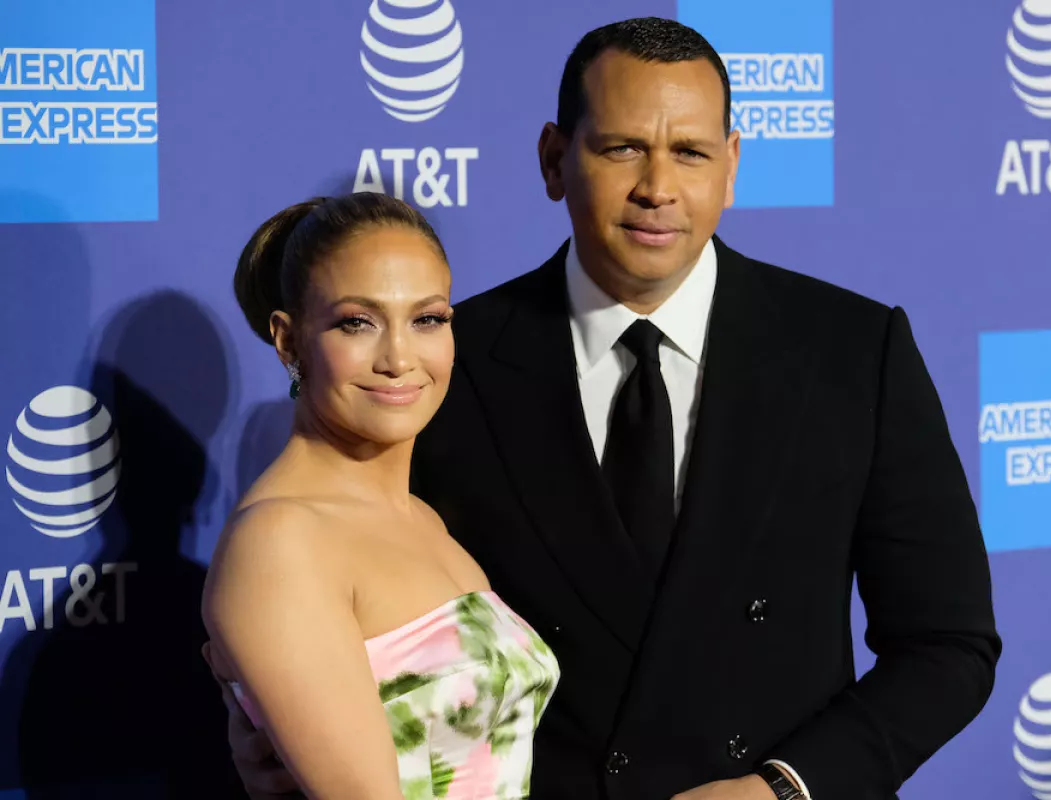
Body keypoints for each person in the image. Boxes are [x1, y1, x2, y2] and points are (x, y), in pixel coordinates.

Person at [215, 17, 1001, 800]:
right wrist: (271, 725)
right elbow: (339, 597)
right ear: (554, 159)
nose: (657, 187)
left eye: (690, 152)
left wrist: (784, 789)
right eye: (622, 148)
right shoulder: (443, 369)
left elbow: (948, 645)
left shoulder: (852, 352)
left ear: (731, 166)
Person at [201, 193, 559, 799]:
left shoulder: (422, 518)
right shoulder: (280, 543)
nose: (398, 358)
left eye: (428, 319)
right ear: (288, 341)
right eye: (356, 323)